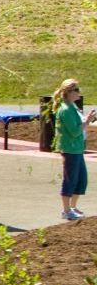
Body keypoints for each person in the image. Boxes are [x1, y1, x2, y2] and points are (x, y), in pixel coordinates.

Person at [55, 79, 89, 220]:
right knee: (70, 179)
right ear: (68, 93)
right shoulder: (66, 110)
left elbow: (79, 125)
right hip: (70, 150)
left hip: (77, 149)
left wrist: (87, 119)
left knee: (81, 179)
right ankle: (66, 210)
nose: (79, 92)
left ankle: (73, 207)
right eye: (76, 90)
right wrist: (86, 122)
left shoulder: (73, 107)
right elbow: (74, 131)